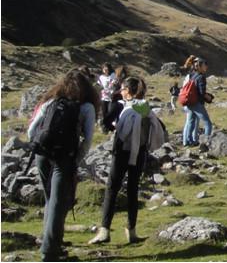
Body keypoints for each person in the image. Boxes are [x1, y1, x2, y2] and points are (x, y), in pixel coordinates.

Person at [28, 69, 98, 262]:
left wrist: (38, 146)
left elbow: (32, 129)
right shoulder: (87, 107)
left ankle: (51, 241)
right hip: (64, 157)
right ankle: (50, 251)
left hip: (42, 153)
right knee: (58, 202)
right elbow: (88, 139)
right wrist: (76, 160)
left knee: (50, 198)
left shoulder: (51, 101)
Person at [89, 77, 166, 245]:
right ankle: (131, 231)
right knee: (132, 190)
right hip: (140, 153)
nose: (121, 91)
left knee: (112, 188)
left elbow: (105, 122)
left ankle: (105, 231)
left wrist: (115, 129)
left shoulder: (120, 106)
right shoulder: (144, 107)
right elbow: (161, 127)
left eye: (123, 89)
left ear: (128, 91)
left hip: (122, 152)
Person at [182, 57, 214, 146]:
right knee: (208, 123)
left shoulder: (192, 75)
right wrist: (209, 97)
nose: (206, 67)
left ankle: (188, 142)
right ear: (200, 66)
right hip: (197, 103)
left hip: (189, 102)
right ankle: (206, 143)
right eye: (204, 65)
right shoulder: (201, 77)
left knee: (191, 122)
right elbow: (201, 92)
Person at [103, 65, 128, 131]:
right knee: (111, 116)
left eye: (124, 73)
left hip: (122, 101)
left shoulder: (125, 81)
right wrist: (120, 90)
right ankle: (108, 128)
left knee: (119, 116)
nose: (123, 75)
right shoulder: (115, 81)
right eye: (122, 73)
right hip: (114, 101)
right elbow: (112, 92)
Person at [97, 64, 116, 133]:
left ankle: (110, 126)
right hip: (104, 97)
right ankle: (105, 128)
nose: (105, 71)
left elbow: (114, 83)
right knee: (104, 112)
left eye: (107, 69)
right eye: (104, 69)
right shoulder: (101, 77)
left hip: (112, 97)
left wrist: (113, 85)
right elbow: (99, 85)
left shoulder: (113, 75)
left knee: (110, 112)